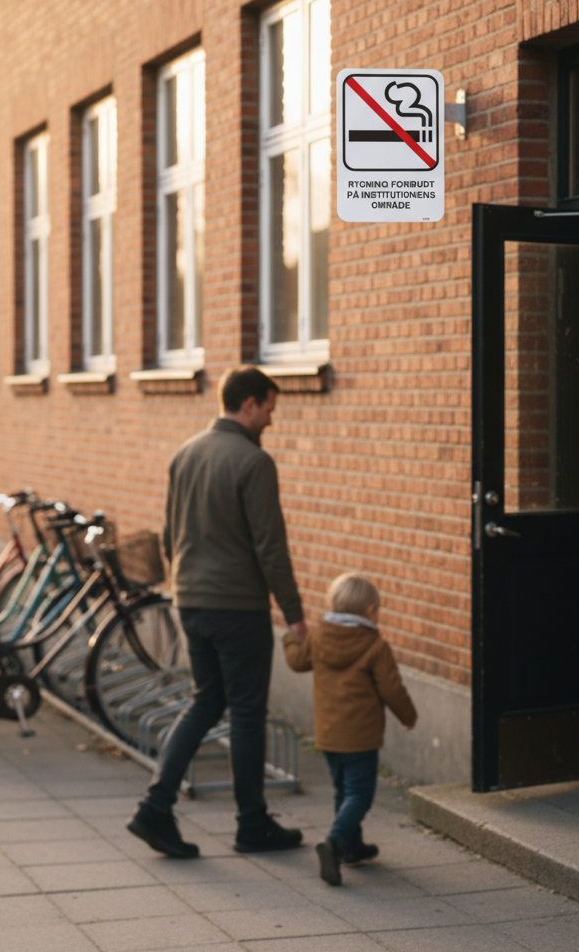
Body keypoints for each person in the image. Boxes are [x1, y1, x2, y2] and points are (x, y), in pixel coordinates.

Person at [127, 365, 307, 859]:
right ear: (249, 404)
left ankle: (155, 806)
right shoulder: (254, 461)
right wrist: (294, 613)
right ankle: (252, 824)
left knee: (205, 701)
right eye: (269, 408)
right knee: (246, 712)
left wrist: (184, 582)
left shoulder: (186, 452)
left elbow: (169, 534)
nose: (271, 419)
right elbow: (271, 548)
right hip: (237, 606)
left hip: (190, 599)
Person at [282, 572, 417, 886]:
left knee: (343, 791)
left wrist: (290, 638)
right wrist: (408, 715)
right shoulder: (374, 645)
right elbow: (392, 688)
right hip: (361, 738)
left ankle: (352, 848)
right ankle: (335, 841)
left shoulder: (318, 636)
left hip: (328, 735)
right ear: (370, 610)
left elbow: (297, 661)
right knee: (360, 793)